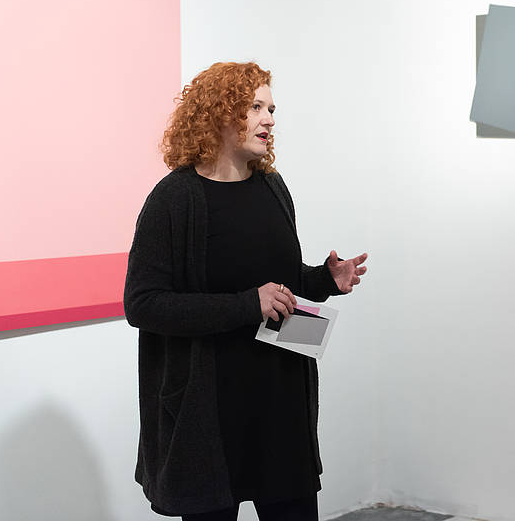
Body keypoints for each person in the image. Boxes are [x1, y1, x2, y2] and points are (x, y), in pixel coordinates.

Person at [124, 62, 367, 521]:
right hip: (208, 411)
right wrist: (246, 304)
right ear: (217, 113)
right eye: (255, 107)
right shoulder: (174, 198)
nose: (270, 119)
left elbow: (277, 281)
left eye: (271, 109)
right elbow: (143, 304)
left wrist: (323, 279)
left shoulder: (272, 187)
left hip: (281, 398)